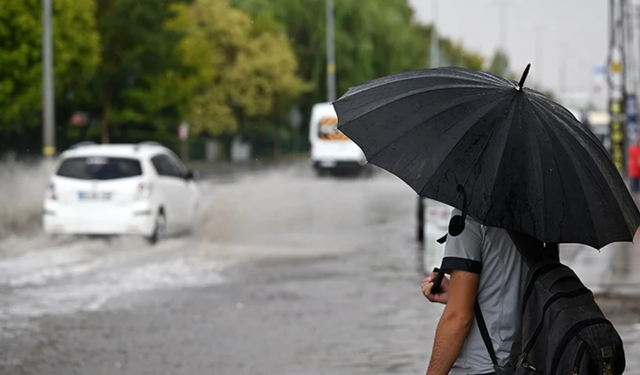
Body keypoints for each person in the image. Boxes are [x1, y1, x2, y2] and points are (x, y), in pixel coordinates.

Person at [421, 209, 527, 375]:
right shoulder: (533, 219)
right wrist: (457, 293)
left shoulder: (467, 218)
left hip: (477, 367)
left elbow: (458, 318)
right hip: (522, 363)